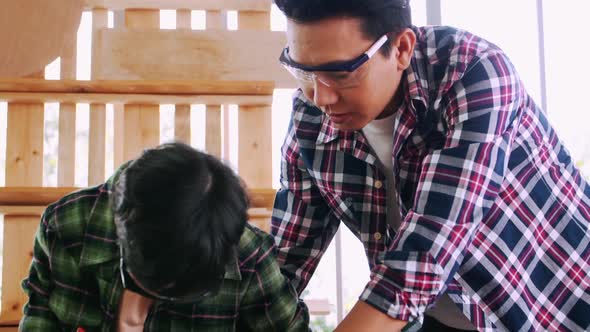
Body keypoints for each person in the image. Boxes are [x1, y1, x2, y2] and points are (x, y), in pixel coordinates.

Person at [270, 0, 590, 331]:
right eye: (304, 71)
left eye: (340, 74)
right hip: (435, 317)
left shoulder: (472, 71)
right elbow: (283, 267)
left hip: (560, 306)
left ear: (401, 48)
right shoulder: (309, 119)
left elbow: (427, 249)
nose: (321, 97)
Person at [20, 142, 310, 331]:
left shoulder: (249, 255)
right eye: (148, 286)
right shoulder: (68, 227)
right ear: (124, 229)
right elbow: (40, 321)